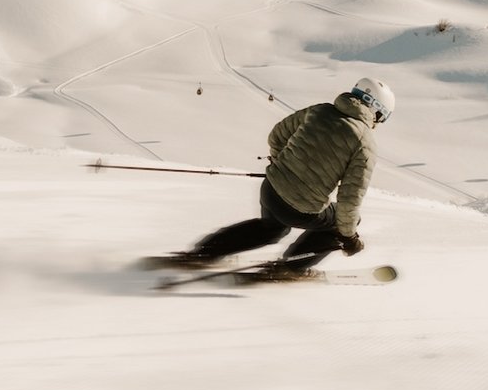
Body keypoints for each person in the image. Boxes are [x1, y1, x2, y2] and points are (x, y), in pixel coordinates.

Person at [146, 77, 393, 281]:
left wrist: (281, 163)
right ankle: (291, 268)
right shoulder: (365, 144)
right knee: (341, 222)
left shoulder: (320, 110)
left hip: (271, 189)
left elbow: (276, 136)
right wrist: (348, 238)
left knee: (271, 229)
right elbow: (349, 201)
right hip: (301, 208)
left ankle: (204, 253)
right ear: (376, 112)